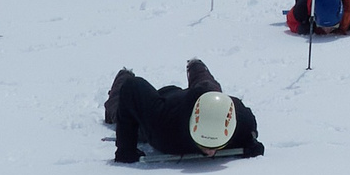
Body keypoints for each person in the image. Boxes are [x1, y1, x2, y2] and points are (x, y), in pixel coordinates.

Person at [107, 60, 266, 163]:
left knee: (209, 88)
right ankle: (123, 73)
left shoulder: (239, 119)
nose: (211, 152)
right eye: (204, 144)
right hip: (166, 102)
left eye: (218, 145)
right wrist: (125, 148)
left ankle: (196, 66)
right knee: (119, 111)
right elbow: (132, 87)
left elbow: (250, 123)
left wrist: (250, 140)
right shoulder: (163, 130)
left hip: (202, 96)